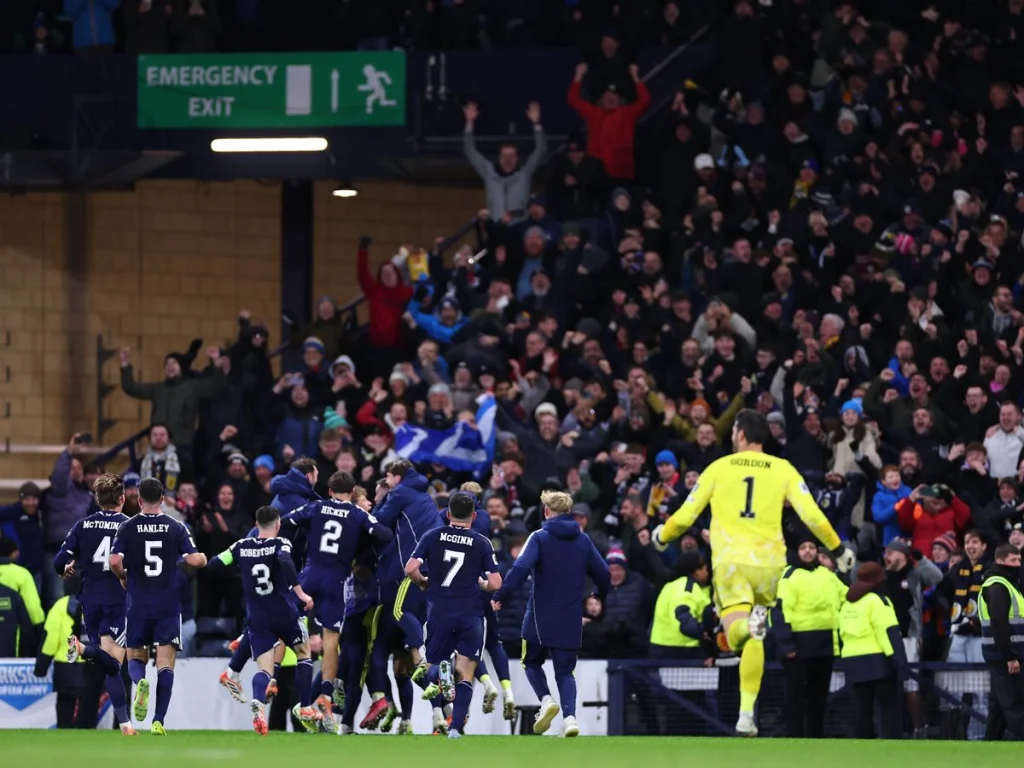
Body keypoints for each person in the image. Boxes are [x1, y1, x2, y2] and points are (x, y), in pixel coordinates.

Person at [652, 409, 855, 736]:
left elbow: (687, 514)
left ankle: (747, 627)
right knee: (756, 637)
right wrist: (839, 548)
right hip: (771, 566)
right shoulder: (783, 469)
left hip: (732, 563)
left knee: (736, 633)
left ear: (741, 433)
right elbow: (813, 515)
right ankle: (747, 714)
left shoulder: (719, 467)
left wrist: (661, 536)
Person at [492, 490, 611, 737]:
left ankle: (546, 700)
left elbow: (520, 569)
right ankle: (570, 719)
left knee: (531, 661)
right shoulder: (583, 540)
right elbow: (604, 573)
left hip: (539, 614)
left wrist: (499, 596)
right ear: (569, 513)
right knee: (565, 672)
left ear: (546, 511)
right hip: (570, 616)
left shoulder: (539, 537)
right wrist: (599, 595)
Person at [281, 471, 393, 727]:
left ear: (330, 491)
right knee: (332, 639)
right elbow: (383, 533)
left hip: (309, 574)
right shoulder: (358, 514)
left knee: (282, 622)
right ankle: (326, 695)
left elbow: (287, 521)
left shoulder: (317, 506)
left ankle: (270, 679)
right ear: (353, 491)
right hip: (336, 580)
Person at [206, 505, 320, 736]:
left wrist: (239, 571)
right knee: (303, 652)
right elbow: (286, 562)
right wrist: (300, 593)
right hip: (283, 612)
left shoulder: (241, 546)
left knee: (265, 669)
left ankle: (258, 701)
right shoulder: (281, 543)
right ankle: (306, 707)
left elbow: (214, 564)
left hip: (257, 617)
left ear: (256, 526)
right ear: (278, 525)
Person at [109, 478, 207, 735]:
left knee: (135, 656)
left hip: (138, 603)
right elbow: (195, 560)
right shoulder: (176, 526)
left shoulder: (128, 526)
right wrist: (203, 558)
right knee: (166, 662)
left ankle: (140, 682)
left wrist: (122, 576)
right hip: (168, 604)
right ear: (162, 499)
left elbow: (114, 560)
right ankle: (158, 721)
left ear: (139, 499)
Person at [405, 492, 502, 739]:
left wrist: (423, 582)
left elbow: (410, 568)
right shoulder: (481, 542)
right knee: (467, 671)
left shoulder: (432, 536)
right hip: (470, 613)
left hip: (440, 611)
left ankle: (440, 673)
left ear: (448, 514)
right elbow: (496, 582)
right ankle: (456, 729)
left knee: (430, 666)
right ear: (474, 516)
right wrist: (482, 586)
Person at [362, 458, 439, 729]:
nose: (376, 499)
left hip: (403, 578)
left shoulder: (398, 494)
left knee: (378, 650)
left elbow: (378, 524)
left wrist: (365, 512)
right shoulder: (424, 497)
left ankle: (385, 702)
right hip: (423, 576)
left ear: (395, 478)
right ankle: (433, 714)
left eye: (378, 494)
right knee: (401, 666)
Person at [55, 473, 134, 735]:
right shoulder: (130, 526)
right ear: (122, 498)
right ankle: (83, 649)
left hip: (90, 600)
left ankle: (123, 724)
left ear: (98, 500)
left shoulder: (82, 525)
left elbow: (59, 561)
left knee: (107, 663)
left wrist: (66, 568)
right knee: (114, 664)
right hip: (118, 600)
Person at [771, 538, 848, 738]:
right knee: (796, 697)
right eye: (803, 547)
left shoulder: (826, 574)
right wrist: (786, 644)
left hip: (825, 646)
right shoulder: (789, 575)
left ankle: (816, 737)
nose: (807, 551)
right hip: (798, 646)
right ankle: (795, 736)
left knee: (819, 697)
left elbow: (846, 597)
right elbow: (780, 611)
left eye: (811, 547)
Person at [839, 561, 908, 740]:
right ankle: (892, 745)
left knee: (861, 709)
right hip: (878, 661)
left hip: (852, 661)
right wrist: (899, 662)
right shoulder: (878, 601)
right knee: (889, 707)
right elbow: (888, 633)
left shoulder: (847, 603)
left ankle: (863, 748)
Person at [978, 543, 1024, 740]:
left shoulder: (1005, 584)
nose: (1017, 564)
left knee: (999, 704)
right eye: (1013, 560)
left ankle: (990, 743)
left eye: (1019, 560)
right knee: (1013, 703)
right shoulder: (998, 586)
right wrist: (1010, 656)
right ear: (1000, 561)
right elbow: (999, 622)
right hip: (1004, 653)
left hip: (1001, 651)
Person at [648, 551, 714, 660]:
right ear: (696, 571)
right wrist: (705, 632)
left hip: (660, 649)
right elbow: (683, 617)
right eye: (704, 569)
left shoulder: (670, 586)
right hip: (681, 652)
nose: (707, 572)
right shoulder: (687, 589)